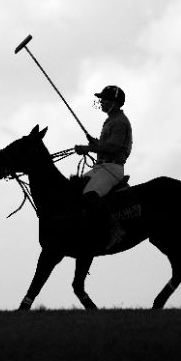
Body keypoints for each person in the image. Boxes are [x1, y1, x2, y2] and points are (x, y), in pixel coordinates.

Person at [75, 85, 132, 249]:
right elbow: (108, 145)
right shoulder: (111, 120)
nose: (102, 102)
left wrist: (89, 148)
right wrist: (96, 143)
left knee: (89, 194)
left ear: (115, 102)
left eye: (105, 99)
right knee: (76, 189)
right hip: (101, 167)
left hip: (112, 169)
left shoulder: (120, 122)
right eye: (102, 99)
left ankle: (115, 230)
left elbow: (114, 148)